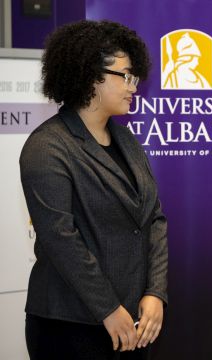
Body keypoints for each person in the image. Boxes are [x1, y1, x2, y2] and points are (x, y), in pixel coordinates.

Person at [19, 20, 168, 359]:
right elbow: (61, 238)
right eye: (126, 76)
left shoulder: (127, 140)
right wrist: (108, 308)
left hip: (132, 322)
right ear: (91, 76)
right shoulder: (47, 147)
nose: (134, 86)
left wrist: (156, 293)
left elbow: (154, 219)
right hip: (70, 325)